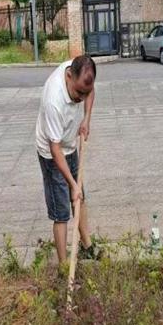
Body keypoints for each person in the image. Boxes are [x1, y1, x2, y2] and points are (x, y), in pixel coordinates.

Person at [36, 55, 97, 264]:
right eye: (78, 92)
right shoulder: (54, 99)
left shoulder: (81, 71)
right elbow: (55, 150)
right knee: (61, 211)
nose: (81, 97)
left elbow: (90, 91)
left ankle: (87, 246)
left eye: (84, 92)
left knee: (80, 198)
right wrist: (72, 184)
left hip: (70, 145)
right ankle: (63, 266)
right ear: (69, 76)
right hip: (52, 154)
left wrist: (86, 118)